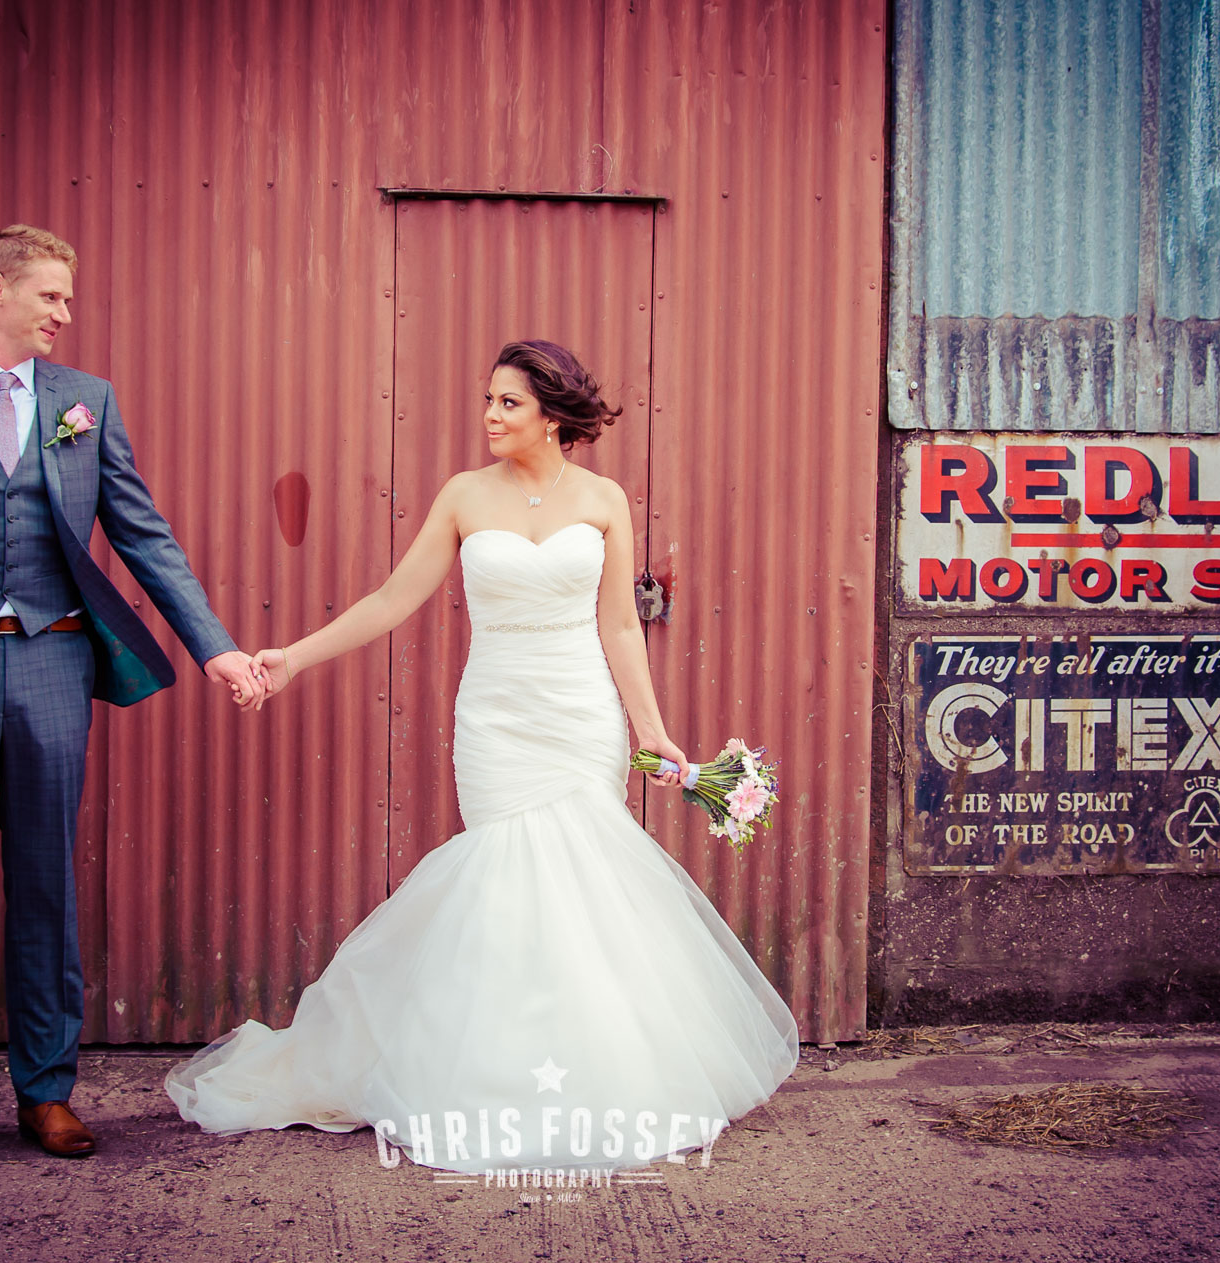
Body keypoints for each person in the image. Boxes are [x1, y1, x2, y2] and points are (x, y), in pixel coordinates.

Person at [167, 340, 797, 1173]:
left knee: (582, 885)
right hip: (497, 720)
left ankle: (594, 1076)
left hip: (580, 716)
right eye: (490, 400)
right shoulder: (465, 495)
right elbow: (393, 599)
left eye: (508, 402)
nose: (490, 416)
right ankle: (491, 1077)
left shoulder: (604, 500)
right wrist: (293, 658)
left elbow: (618, 624)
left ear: (552, 416)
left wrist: (649, 728)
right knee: (507, 880)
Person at [0, 224, 268, 1176]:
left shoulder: (85, 401)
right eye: (50, 295)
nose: (64, 314)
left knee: (45, 885)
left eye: (67, 299)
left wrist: (214, 648)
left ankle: (47, 1093)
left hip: (51, 667)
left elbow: (144, 534)